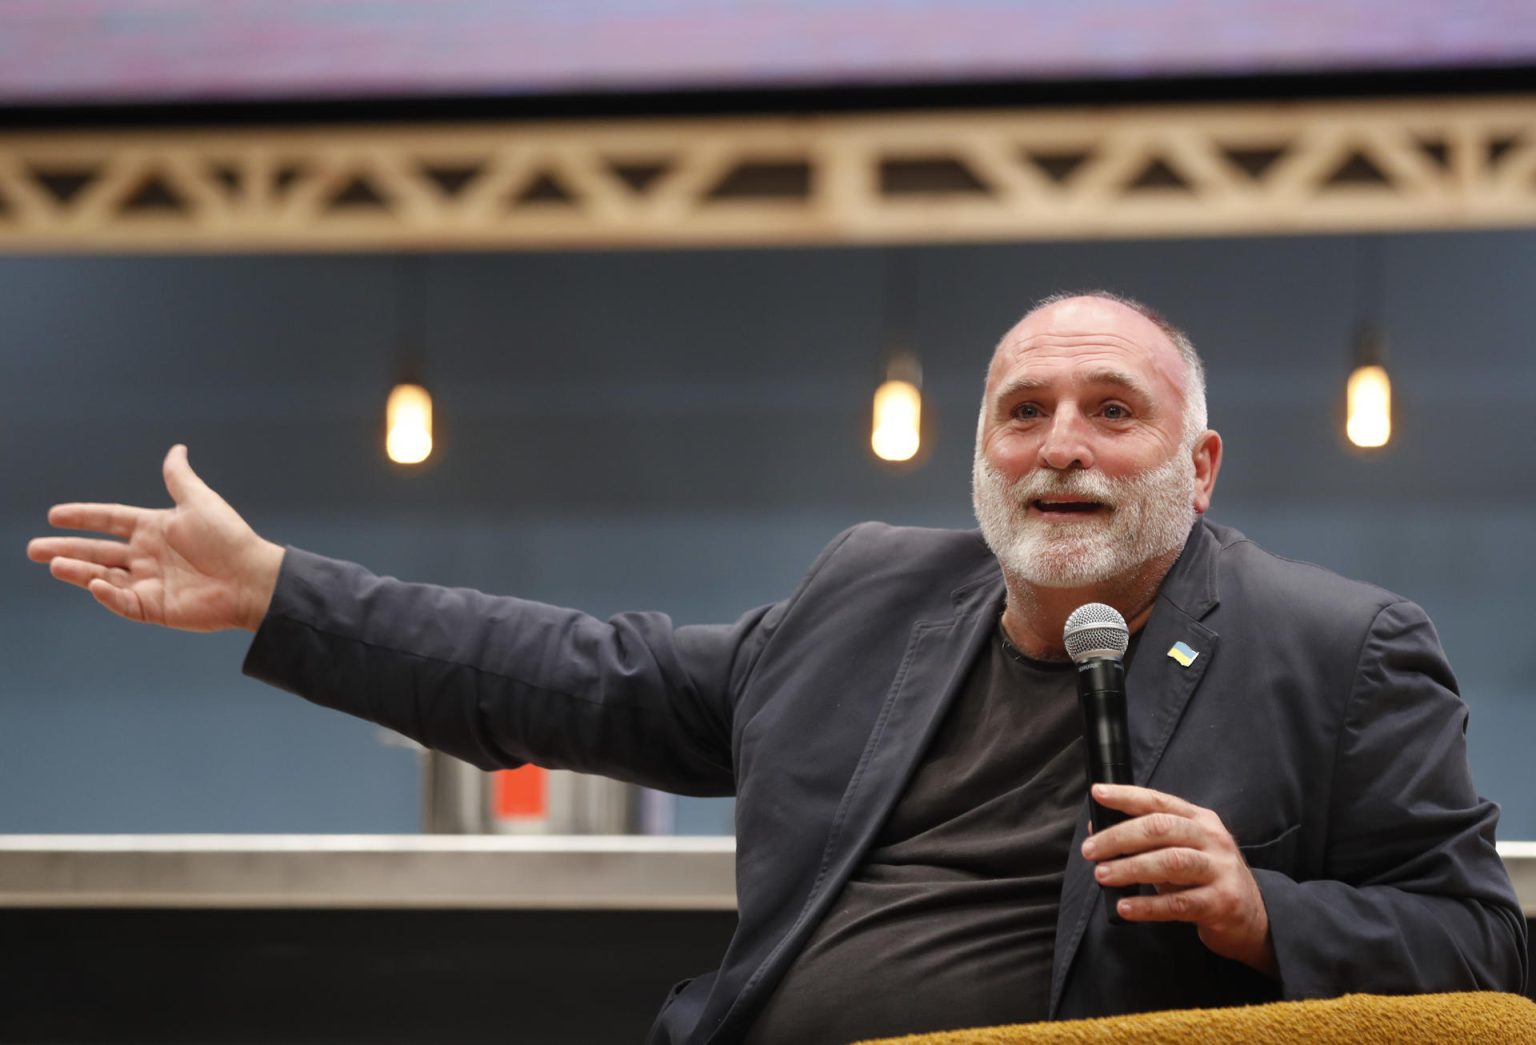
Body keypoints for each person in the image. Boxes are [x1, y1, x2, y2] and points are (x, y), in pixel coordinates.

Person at [28, 293, 1527, 1043]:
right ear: (983, 455)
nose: (1059, 442)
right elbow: (568, 675)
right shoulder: (869, 595)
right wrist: (279, 593)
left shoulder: (1339, 650)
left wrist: (1268, 914)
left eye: (1110, 410)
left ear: (1198, 465)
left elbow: (1482, 950)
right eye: (1023, 411)